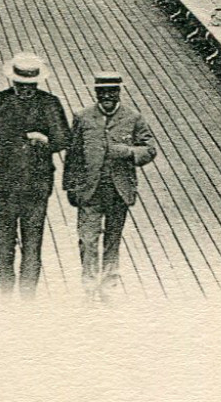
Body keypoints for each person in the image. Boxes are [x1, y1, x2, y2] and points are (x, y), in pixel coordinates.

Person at [0, 53, 71, 296]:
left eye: (31, 86)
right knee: (3, 236)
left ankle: (29, 292)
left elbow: (64, 139)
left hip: (37, 184)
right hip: (3, 183)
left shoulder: (50, 103)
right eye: (22, 86)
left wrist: (45, 140)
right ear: (13, 82)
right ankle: (4, 283)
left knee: (32, 239)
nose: (27, 90)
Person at [63, 73, 156, 300]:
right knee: (87, 238)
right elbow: (73, 154)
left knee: (113, 238)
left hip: (119, 190)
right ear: (96, 93)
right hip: (90, 188)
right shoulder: (82, 118)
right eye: (102, 92)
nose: (107, 96)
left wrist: (128, 152)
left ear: (119, 93)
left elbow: (150, 149)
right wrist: (71, 187)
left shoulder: (133, 118)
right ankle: (89, 282)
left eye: (112, 92)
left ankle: (109, 283)